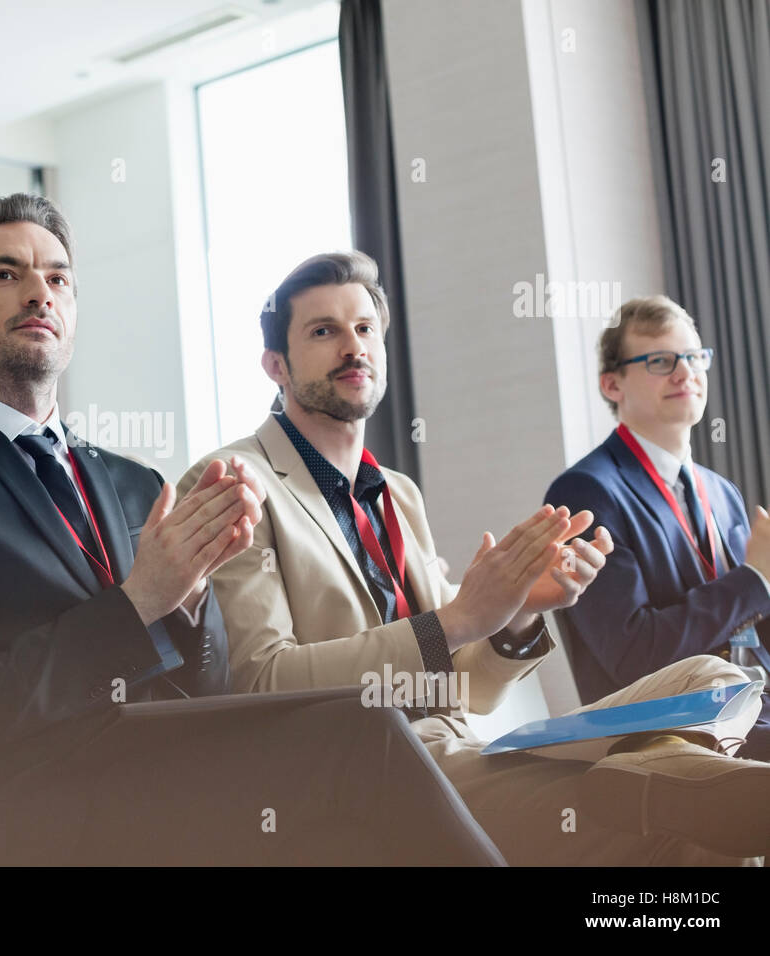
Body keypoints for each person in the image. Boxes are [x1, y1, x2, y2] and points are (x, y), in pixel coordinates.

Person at [0, 194, 504, 867]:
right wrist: (140, 603)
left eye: (58, 278)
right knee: (361, 737)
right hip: (30, 813)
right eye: (6, 275)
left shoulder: (132, 483)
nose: (40, 292)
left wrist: (191, 607)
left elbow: (211, 690)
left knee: (365, 756)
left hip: (170, 778)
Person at [179, 251, 770, 865]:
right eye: (323, 331)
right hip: (368, 775)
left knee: (721, 681)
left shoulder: (398, 493)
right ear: (276, 364)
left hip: (467, 748)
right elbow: (261, 683)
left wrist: (515, 615)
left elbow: (467, 691)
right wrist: (458, 619)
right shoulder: (236, 480)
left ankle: (658, 771)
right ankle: (675, 782)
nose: (352, 346)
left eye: (364, 328)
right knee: (693, 829)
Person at [544, 295, 770, 756]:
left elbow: (747, 624)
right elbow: (635, 659)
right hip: (673, 732)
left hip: (752, 709)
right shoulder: (586, 492)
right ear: (613, 384)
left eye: (693, 357)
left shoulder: (720, 490)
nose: (685, 372)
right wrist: (755, 578)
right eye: (661, 361)